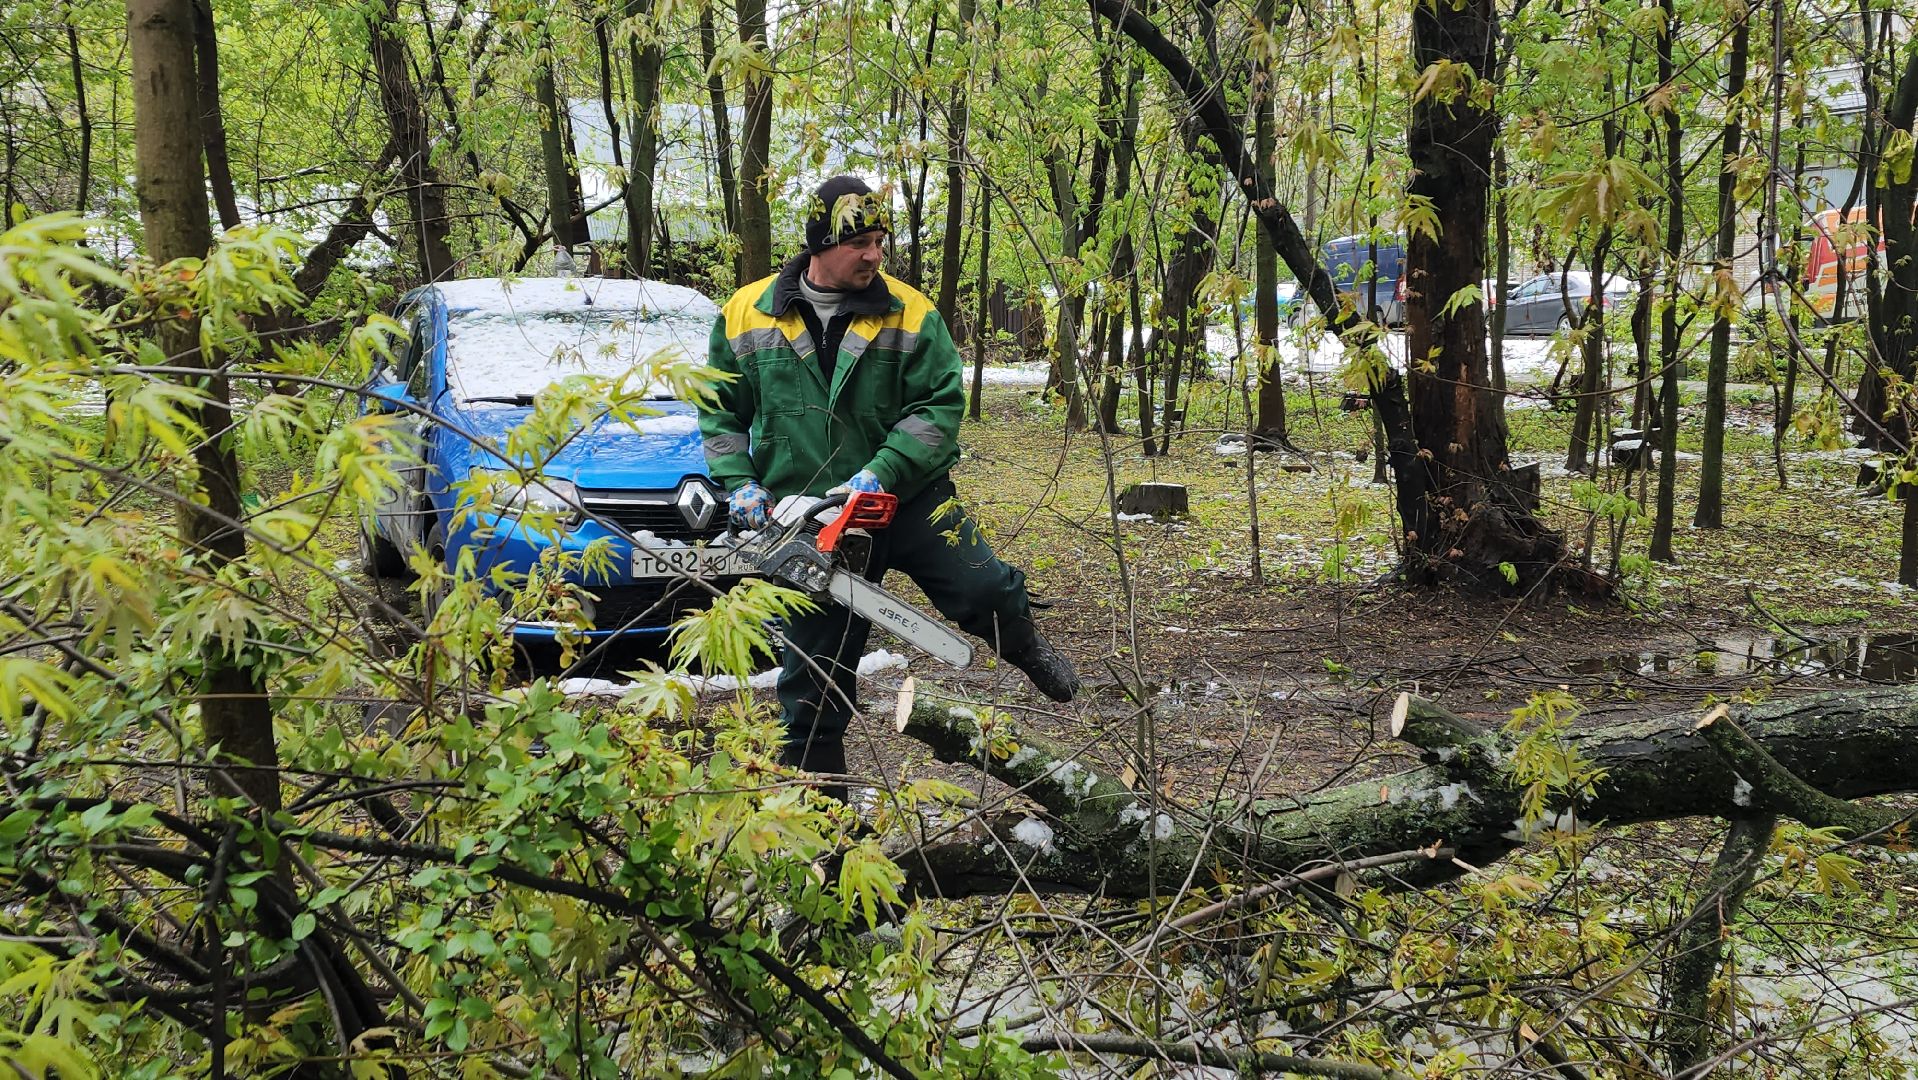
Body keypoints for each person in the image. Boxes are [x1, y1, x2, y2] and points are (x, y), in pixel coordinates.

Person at [699, 174, 1079, 792]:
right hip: (811, 520)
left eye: (881, 240)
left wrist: (883, 470)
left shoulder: (911, 311)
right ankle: (822, 820)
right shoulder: (746, 313)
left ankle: (1028, 646)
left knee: (982, 587)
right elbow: (719, 411)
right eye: (862, 242)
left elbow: (938, 409)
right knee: (813, 679)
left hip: (906, 495)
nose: (875, 254)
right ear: (821, 244)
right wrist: (739, 482)